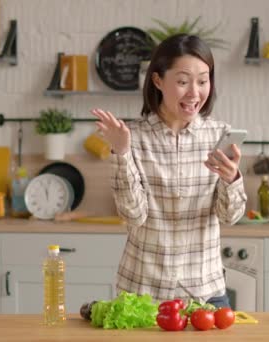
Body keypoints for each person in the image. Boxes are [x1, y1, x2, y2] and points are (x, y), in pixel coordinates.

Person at [91, 34, 247, 308]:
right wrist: (122, 153)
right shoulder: (132, 136)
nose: (194, 93)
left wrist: (231, 179)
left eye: (203, 80)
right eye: (183, 81)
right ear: (158, 80)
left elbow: (230, 216)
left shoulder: (219, 135)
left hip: (205, 292)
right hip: (144, 291)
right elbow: (133, 214)